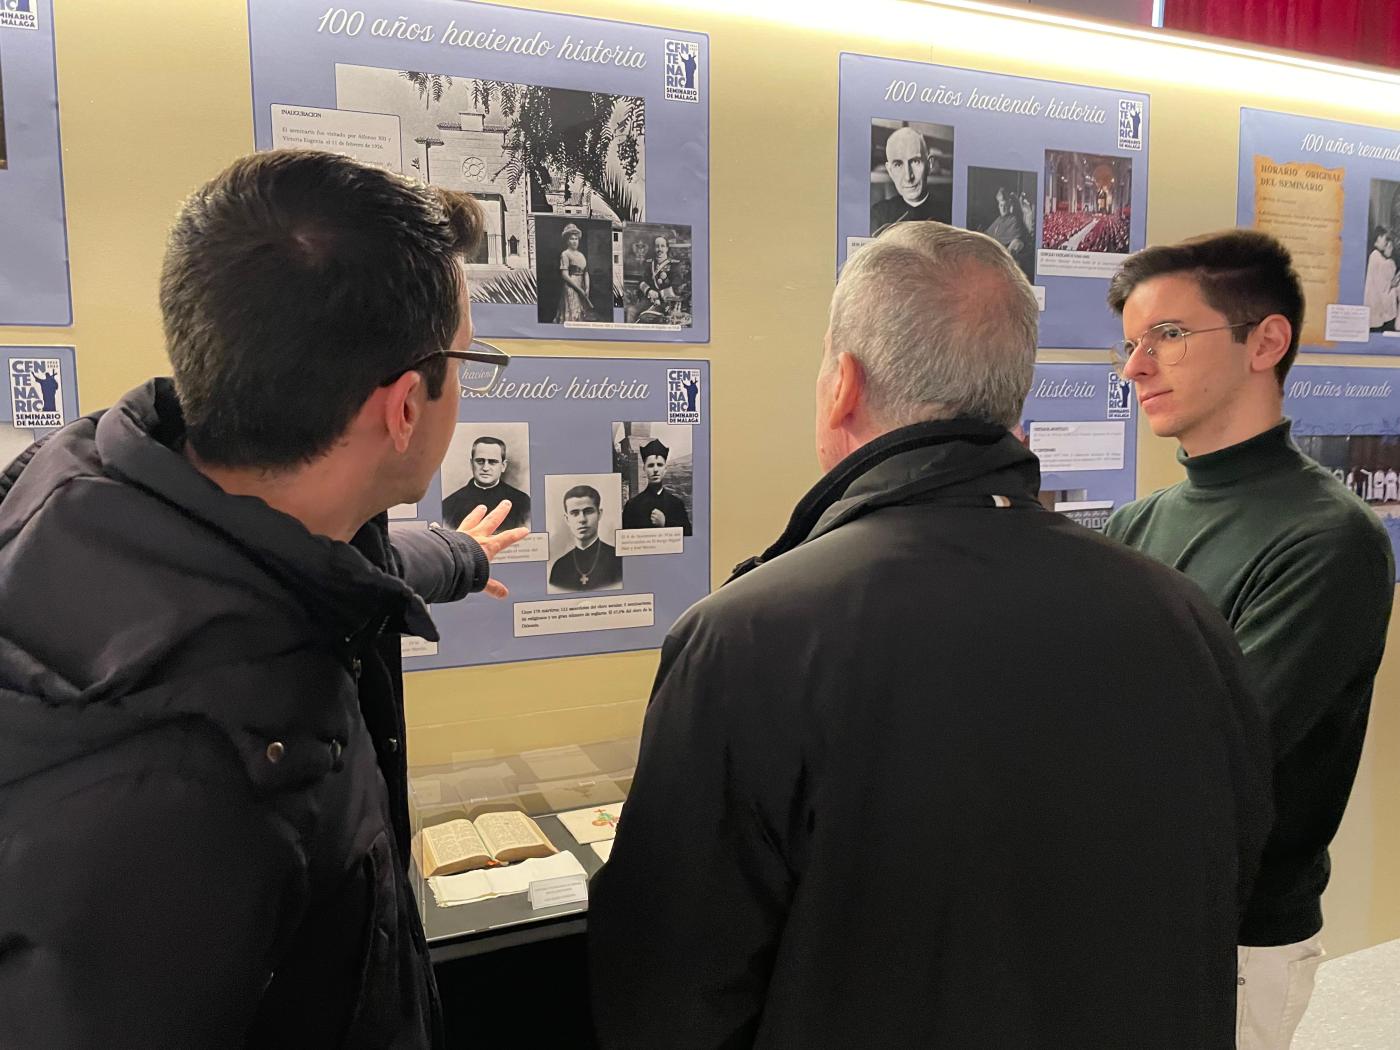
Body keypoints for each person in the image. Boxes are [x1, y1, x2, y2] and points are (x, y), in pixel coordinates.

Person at [590, 221, 1272, 1049]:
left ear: (841, 384)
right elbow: (1225, 877)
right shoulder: (1183, 613)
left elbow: (669, 993)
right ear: (1010, 398)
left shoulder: (747, 639)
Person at [0, 150, 529, 1049]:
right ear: (405, 408)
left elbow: (336, 558)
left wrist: (458, 556)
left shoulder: (115, 501)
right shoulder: (186, 800)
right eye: (468, 357)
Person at [1104, 229, 1393, 1050]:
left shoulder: (1329, 539)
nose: (1136, 369)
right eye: (1130, 345)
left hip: (1233, 933)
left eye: (1167, 335)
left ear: (1267, 340)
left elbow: (1210, 748)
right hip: (1117, 907)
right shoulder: (1139, 522)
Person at [869, 126, 952, 235]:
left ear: (929, 164)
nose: (908, 177)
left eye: (915, 161)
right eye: (898, 164)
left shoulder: (949, 214)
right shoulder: (877, 214)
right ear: (890, 171)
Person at [442, 435, 531, 531]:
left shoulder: (522, 502)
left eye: (492, 462)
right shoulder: (449, 505)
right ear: (471, 464)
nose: (485, 468)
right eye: (480, 461)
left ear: (503, 466)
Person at [548, 484, 622, 591]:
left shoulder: (618, 560)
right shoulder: (559, 567)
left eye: (588, 511)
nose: (582, 519)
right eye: (575, 513)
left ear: (599, 514)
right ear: (567, 519)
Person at [621, 438, 692, 535]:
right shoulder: (632, 506)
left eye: (659, 465)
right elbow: (627, 539)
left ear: (665, 469)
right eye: (650, 465)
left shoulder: (677, 504)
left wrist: (665, 524)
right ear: (644, 469)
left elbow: (687, 536)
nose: (655, 470)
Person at [982, 184, 1034, 279]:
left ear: (1009, 205)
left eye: (1005, 205)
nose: (1003, 208)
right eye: (1001, 205)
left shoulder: (1014, 220)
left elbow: (1018, 243)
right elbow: (987, 235)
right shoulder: (998, 220)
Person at [553, 222, 594, 323]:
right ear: (567, 241)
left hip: (582, 285)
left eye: (576, 239)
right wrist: (579, 289)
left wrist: (587, 288)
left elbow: (586, 272)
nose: (574, 241)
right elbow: (564, 275)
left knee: (581, 312)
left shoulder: (581, 255)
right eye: (572, 239)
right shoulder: (565, 254)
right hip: (571, 286)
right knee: (572, 311)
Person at [1363, 227, 1398, 333]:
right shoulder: (1375, 256)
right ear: (1377, 239)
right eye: (1384, 238)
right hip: (1375, 303)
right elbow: (1387, 274)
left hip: (1377, 302)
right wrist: (1389, 256)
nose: (1386, 241)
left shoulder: (1378, 256)